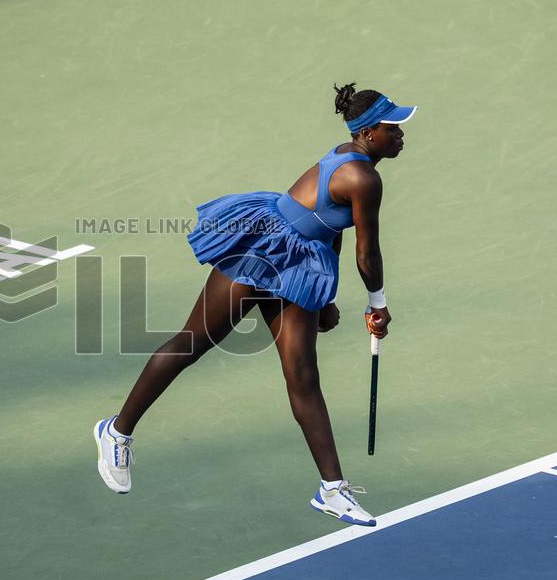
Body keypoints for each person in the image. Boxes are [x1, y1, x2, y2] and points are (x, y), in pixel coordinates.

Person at [92, 83, 417, 527]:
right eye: (392, 127)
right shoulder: (363, 177)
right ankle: (117, 430)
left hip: (301, 262)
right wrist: (376, 305)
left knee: (303, 375)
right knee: (192, 344)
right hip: (262, 251)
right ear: (367, 133)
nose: (401, 134)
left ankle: (333, 490)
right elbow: (367, 253)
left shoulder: (354, 160)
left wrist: (327, 300)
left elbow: (330, 228)